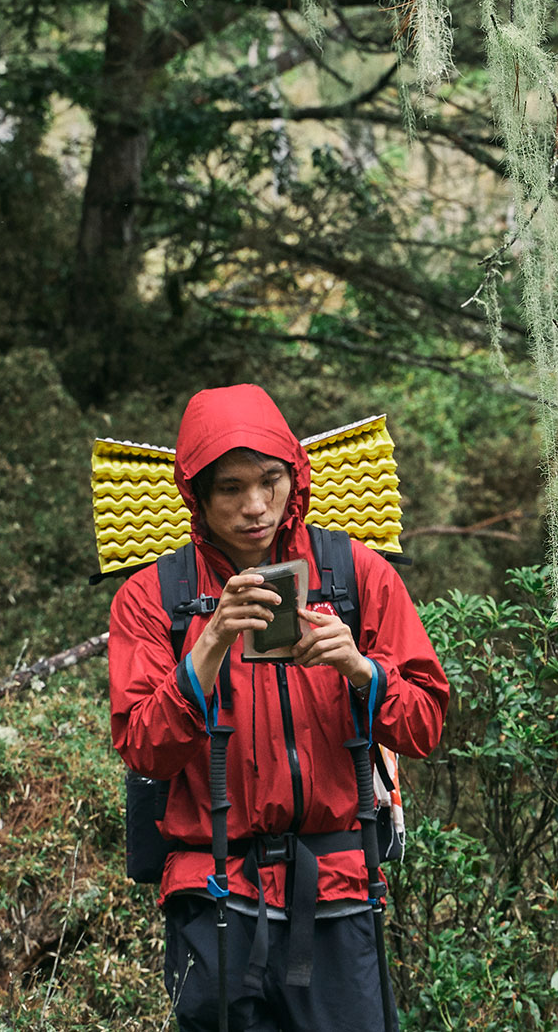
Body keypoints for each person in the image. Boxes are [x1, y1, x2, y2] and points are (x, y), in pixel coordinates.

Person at [109, 384, 449, 1032]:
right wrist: (209, 644)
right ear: (196, 495)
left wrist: (361, 669)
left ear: (297, 474)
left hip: (338, 888)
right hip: (213, 894)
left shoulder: (355, 574)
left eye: (270, 480)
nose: (255, 505)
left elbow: (425, 721)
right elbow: (144, 748)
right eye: (230, 488)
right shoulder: (154, 596)